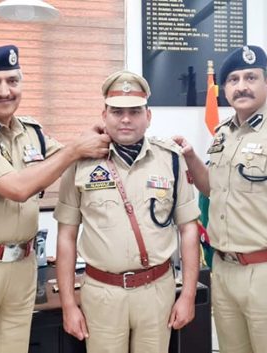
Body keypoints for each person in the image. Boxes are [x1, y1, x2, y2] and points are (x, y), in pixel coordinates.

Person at [0, 44, 110, 353]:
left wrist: (107, 132)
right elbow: (17, 187)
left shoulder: (32, 132)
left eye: (13, 81)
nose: (5, 91)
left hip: (23, 266)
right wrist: (75, 148)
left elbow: (74, 159)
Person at [173, 45, 267, 353]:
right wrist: (191, 157)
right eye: (233, 80)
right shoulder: (223, 134)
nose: (241, 86)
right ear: (224, 89)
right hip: (225, 269)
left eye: (251, 77)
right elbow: (212, 190)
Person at [54, 70, 200, 353]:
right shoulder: (80, 163)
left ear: (148, 116)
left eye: (134, 111)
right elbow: (66, 236)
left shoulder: (170, 159)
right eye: (117, 111)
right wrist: (68, 304)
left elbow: (189, 229)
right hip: (102, 293)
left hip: (157, 290)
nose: (125, 119)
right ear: (104, 114)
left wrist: (189, 295)